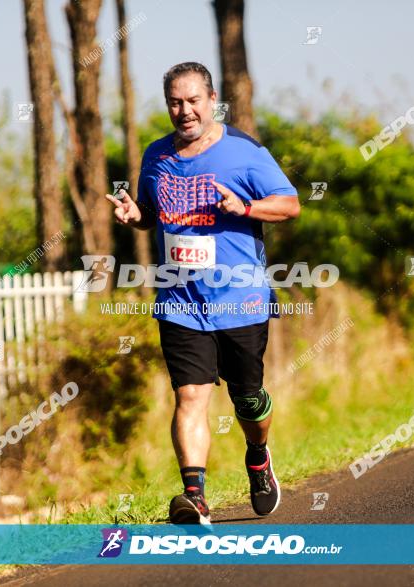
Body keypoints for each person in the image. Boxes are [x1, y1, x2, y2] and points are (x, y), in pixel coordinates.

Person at [104, 62, 300, 525]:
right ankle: (195, 496)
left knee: (247, 398)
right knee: (190, 396)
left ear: (212, 100)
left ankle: (258, 454)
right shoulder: (155, 156)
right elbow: (154, 212)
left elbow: (290, 205)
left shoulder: (245, 151)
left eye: (193, 100)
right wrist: (138, 216)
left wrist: (245, 206)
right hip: (179, 300)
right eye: (175, 101)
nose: (184, 110)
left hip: (240, 299)